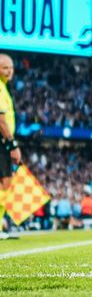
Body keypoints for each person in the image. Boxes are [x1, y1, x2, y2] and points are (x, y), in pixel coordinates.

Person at [0, 54, 21, 240]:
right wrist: (12, 144)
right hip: (2, 142)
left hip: (3, 142)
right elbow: (1, 120)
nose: (9, 71)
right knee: (5, 185)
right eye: (5, 67)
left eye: (11, 68)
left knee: (5, 185)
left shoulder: (4, 88)